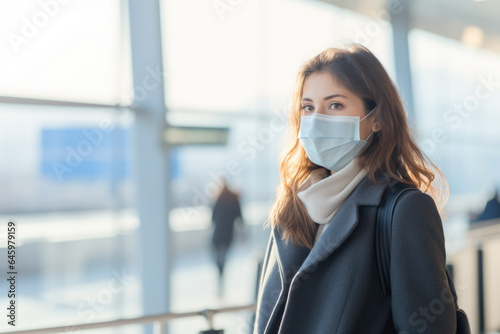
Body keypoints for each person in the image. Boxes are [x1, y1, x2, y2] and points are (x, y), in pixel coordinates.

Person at [253, 44, 457, 333]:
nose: (317, 120)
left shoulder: (405, 209)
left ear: (375, 118)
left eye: (335, 105)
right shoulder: (293, 204)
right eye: (308, 107)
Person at [211, 178, 242, 297]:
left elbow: (212, 218)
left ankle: (220, 280)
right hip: (228, 234)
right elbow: (240, 218)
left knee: (218, 259)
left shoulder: (218, 199)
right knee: (222, 259)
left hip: (217, 234)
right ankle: (221, 280)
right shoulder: (234, 200)